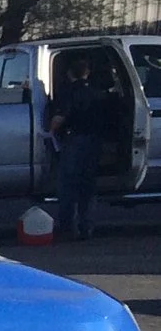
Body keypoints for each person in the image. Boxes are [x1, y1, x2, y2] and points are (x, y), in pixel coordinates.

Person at [48, 53, 109, 243]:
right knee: (88, 186)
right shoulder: (97, 93)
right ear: (87, 73)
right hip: (94, 142)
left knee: (68, 185)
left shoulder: (68, 92)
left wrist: (50, 131)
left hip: (74, 141)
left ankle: (67, 227)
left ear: (69, 73)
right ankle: (86, 227)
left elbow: (59, 119)